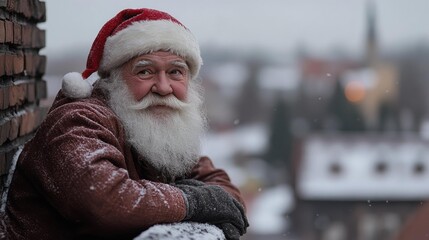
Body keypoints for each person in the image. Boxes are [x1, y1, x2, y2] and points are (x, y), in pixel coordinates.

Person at [1, 8, 248, 240]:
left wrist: (201, 199)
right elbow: (107, 204)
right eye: (145, 72)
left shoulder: (155, 129)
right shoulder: (77, 121)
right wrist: (195, 201)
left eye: (175, 72)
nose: (163, 87)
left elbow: (229, 195)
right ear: (114, 79)